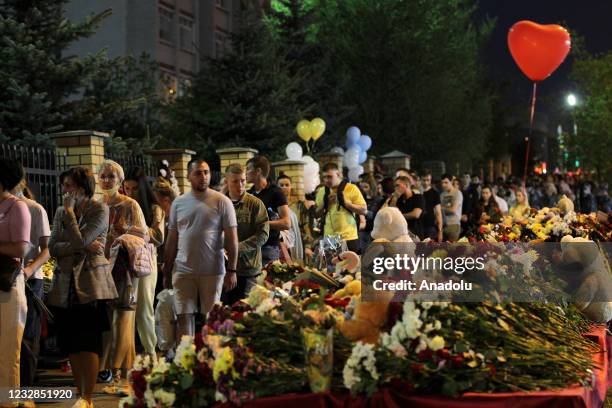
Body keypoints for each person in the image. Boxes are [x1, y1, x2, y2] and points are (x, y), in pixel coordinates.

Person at [47, 167, 117, 408]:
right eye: (63, 185)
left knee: (89, 341)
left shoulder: (99, 209)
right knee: (72, 343)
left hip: (91, 284)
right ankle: (79, 393)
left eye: (68, 185)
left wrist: (70, 217)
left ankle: (88, 396)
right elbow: (53, 246)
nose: (64, 190)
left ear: (81, 186)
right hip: (65, 284)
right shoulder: (59, 212)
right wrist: (79, 245)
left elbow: (81, 240)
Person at [163, 159, 238, 339]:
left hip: (212, 270)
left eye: (206, 172)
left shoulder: (222, 201)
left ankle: (208, 357)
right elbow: (172, 239)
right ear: (189, 176)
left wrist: (232, 270)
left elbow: (232, 239)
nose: (203, 177)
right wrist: (167, 270)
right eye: (198, 173)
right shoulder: (178, 203)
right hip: (183, 269)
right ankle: (185, 357)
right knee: (183, 316)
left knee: (210, 317)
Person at [97, 160, 149, 394]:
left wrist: (121, 234)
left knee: (124, 321)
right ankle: (113, 372)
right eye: (103, 176)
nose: (106, 180)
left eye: (111, 176)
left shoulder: (130, 204)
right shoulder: (96, 205)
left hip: (124, 269)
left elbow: (144, 235)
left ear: (119, 180)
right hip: (100, 271)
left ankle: (125, 377)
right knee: (108, 324)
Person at [10, 180, 50, 387]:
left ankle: (24, 390)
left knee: (28, 338)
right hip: (6, 280)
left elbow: (46, 250)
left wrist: (29, 270)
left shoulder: (35, 209)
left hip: (31, 280)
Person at [124, 167, 165, 359]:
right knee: (125, 310)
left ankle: (151, 354)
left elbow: (158, 237)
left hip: (146, 262)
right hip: (123, 261)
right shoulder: (122, 205)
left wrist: (139, 226)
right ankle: (126, 357)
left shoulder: (154, 209)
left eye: (134, 189)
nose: (130, 193)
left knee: (144, 309)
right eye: (127, 188)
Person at [0, 159, 31, 403]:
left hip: (7, 287)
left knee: (8, 352)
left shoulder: (17, 207)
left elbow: (21, 247)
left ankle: (8, 401)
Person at [222, 164, 269, 305]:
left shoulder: (255, 204)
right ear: (227, 182)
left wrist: (237, 248)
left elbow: (263, 234)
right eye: (235, 181)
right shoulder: (220, 204)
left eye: (242, 180)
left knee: (247, 311)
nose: (240, 185)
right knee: (226, 313)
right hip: (224, 270)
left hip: (249, 270)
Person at [246, 155, 290, 265]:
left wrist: (262, 223)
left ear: (258, 171)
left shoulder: (276, 192)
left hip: (268, 248)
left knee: (265, 282)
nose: (245, 173)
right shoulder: (249, 194)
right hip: (249, 248)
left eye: (248, 169)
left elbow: (286, 223)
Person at [315, 162, 368, 252]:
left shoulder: (351, 188)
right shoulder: (321, 191)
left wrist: (346, 203)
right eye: (324, 177)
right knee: (331, 265)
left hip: (349, 237)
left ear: (338, 174)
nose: (326, 180)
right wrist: (326, 204)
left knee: (350, 265)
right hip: (329, 238)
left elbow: (364, 210)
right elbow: (316, 214)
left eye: (329, 177)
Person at [277, 174, 308, 262]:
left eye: (287, 185)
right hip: (283, 246)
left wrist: (308, 246)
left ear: (291, 187)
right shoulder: (275, 205)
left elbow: (305, 227)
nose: (284, 187)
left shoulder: (298, 205)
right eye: (281, 185)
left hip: (299, 244)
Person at [358, 175, 384, 250]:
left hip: (373, 231)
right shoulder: (361, 199)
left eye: (366, 187)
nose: (363, 190)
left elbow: (377, 216)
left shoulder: (380, 200)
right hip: (362, 231)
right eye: (362, 187)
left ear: (372, 187)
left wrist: (365, 212)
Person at [440, 174, 463, 242]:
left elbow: (453, 209)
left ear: (451, 182)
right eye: (442, 183)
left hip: (454, 225)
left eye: (446, 182)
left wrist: (441, 208)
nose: (443, 185)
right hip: (443, 226)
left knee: (452, 250)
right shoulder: (442, 194)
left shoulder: (457, 193)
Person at [420, 170, 442, 241]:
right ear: (420, 179)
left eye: (428, 180)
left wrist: (440, 231)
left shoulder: (435, 193)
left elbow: (438, 213)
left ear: (431, 180)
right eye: (424, 180)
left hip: (430, 226)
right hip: (418, 226)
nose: (426, 182)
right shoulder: (416, 193)